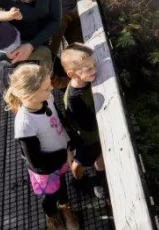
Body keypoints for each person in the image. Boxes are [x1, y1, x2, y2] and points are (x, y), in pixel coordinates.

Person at [5, 64, 79, 230]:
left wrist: (71, 139)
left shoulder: (46, 98)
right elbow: (36, 163)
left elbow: (57, 117)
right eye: (46, 88)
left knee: (61, 182)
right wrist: (64, 154)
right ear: (28, 95)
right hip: (46, 168)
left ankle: (65, 205)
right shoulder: (25, 125)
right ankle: (52, 215)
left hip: (61, 155)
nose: (51, 88)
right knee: (51, 194)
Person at [60, 44, 106, 203]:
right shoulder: (75, 100)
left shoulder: (83, 82)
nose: (94, 70)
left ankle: (96, 178)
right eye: (88, 69)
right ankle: (80, 180)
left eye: (94, 65)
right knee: (87, 161)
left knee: (96, 159)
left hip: (90, 135)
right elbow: (88, 125)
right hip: (86, 138)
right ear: (72, 74)